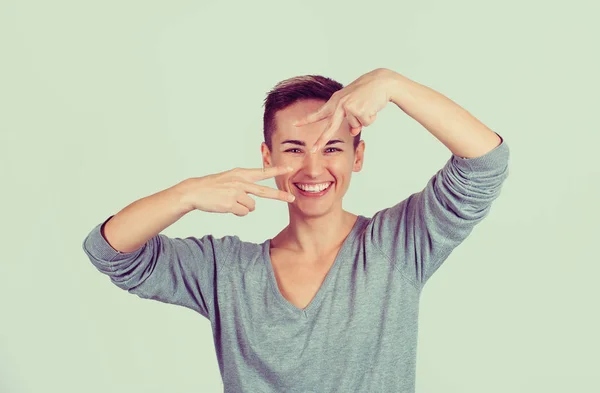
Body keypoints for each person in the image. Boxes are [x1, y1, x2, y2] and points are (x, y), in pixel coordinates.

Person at [82, 67, 510, 392]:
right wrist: (187, 194)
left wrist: (392, 84)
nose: (313, 168)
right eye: (294, 149)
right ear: (268, 158)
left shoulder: (397, 246)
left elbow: (485, 163)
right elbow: (110, 251)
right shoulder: (227, 272)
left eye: (332, 148)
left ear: (357, 157)